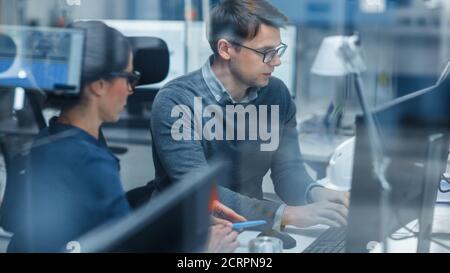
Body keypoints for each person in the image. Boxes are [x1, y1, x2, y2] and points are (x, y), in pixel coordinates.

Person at [1, 21, 240, 253]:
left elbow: (100, 221)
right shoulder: (91, 163)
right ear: (100, 84)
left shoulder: (51, 137)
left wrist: (181, 220)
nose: (131, 88)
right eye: (128, 77)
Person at [150, 0, 350, 231]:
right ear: (226, 49)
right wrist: (286, 214)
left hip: (253, 225)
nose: (276, 61)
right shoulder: (177, 101)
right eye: (266, 52)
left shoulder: (276, 94)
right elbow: (201, 191)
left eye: (277, 50)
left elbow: (288, 171)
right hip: (188, 233)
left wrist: (318, 193)